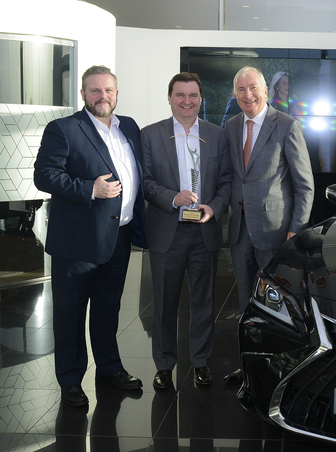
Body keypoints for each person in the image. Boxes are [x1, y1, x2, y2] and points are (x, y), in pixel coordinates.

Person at [34, 65, 147, 407]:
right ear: (83, 94)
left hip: (118, 237)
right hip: (76, 243)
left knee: (108, 310)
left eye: (108, 90)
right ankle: (70, 380)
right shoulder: (65, 129)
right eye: (95, 91)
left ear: (117, 93)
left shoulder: (128, 126)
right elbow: (44, 175)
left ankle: (109, 369)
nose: (103, 97)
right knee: (70, 314)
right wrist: (89, 188)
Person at [223, 66, 314, 384]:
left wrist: (295, 231)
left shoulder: (287, 125)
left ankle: (280, 372)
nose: (248, 95)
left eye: (253, 88)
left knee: (279, 305)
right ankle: (249, 369)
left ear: (265, 89)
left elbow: (305, 185)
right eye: (240, 90)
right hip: (239, 230)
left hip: (276, 232)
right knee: (246, 303)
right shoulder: (232, 126)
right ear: (234, 95)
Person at [141, 72, 232, 389]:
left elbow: (226, 183)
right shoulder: (150, 135)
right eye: (180, 95)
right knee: (164, 304)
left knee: (204, 303)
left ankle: (201, 363)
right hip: (168, 231)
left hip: (203, 232)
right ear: (169, 98)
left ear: (200, 100)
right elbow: (146, 183)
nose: (187, 101)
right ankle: (164, 366)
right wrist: (172, 197)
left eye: (193, 95)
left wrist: (214, 208)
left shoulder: (217, 136)